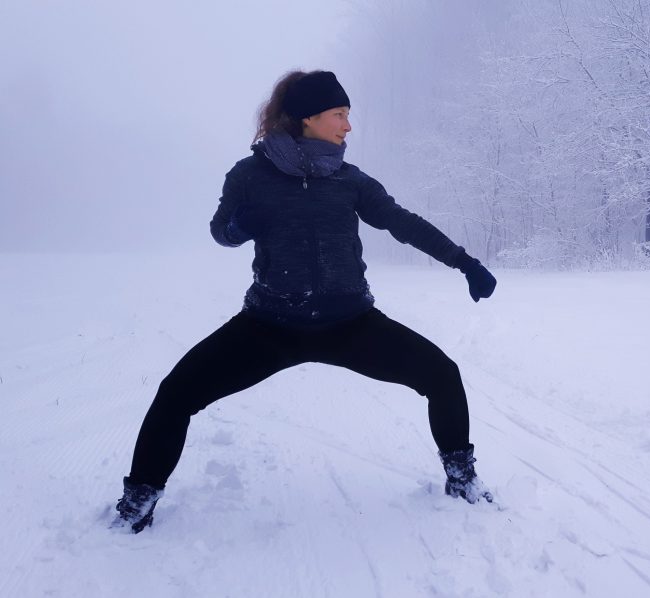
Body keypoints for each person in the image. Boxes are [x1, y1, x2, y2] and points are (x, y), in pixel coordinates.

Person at [111, 70, 498, 533]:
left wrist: (465, 262)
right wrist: (239, 226)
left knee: (442, 374)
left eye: (348, 115)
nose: (348, 126)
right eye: (340, 114)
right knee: (176, 393)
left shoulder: (349, 180)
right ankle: (138, 501)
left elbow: (402, 223)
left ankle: (462, 480)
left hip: (350, 324)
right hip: (269, 327)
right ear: (308, 118)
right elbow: (220, 232)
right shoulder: (250, 175)